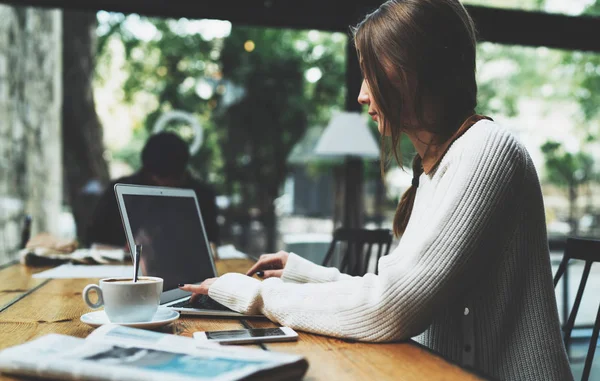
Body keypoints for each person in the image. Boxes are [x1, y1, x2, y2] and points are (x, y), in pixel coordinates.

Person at [179, 1, 572, 380]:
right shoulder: (437, 165)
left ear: (419, 69)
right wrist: (305, 275)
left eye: (372, 74)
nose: (362, 94)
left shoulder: (486, 149)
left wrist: (254, 295)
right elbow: (398, 290)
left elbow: (392, 307)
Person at [86, 132, 220, 249]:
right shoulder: (120, 191)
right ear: (148, 172)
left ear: (182, 172)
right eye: (159, 178)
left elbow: (212, 241)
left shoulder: (201, 195)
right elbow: (94, 238)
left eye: (172, 179)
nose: (165, 185)